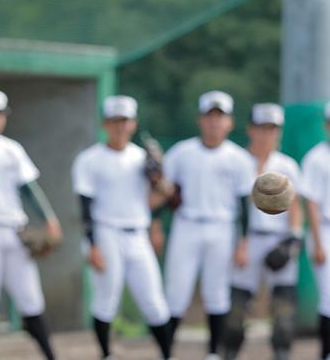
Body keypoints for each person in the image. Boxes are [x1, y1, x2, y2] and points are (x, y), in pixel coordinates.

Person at [72, 95, 175, 360]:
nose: (121, 126)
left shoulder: (141, 158)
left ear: (133, 124)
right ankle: (106, 354)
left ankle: (167, 354)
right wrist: (92, 245)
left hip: (137, 233)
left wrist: (160, 181)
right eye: (115, 120)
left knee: (154, 301)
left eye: (125, 121)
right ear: (105, 123)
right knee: (106, 299)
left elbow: (156, 200)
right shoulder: (90, 159)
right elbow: (85, 206)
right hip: (106, 231)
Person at [158, 90, 255, 360]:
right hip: (187, 223)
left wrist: (244, 242)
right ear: (200, 120)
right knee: (176, 291)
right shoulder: (182, 152)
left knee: (217, 292)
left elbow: (244, 204)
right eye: (209, 116)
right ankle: (166, 351)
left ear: (229, 122)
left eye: (219, 117)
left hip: (222, 227)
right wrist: (155, 222)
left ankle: (214, 353)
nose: (214, 122)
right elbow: (168, 194)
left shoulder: (239, 159)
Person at [0, 88, 60, 360]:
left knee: (31, 298)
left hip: (15, 232)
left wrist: (49, 218)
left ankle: (50, 355)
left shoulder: (12, 149)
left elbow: (29, 188)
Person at [221, 103, 302, 360]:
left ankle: (282, 355)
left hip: (278, 238)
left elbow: (296, 207)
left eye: (273, 128)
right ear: (250, 129)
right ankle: (230, 354)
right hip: (248, 240)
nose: (267, 134)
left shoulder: (286, 165)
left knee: (284, 311)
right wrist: (238, 244)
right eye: (262, 128)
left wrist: (293, 241)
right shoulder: (236, 161)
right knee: (236, 311)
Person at [299, 103, 330, 360]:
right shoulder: (316, 157)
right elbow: (311, 202)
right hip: (325, 229)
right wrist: (318, 243)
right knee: (329, 297)